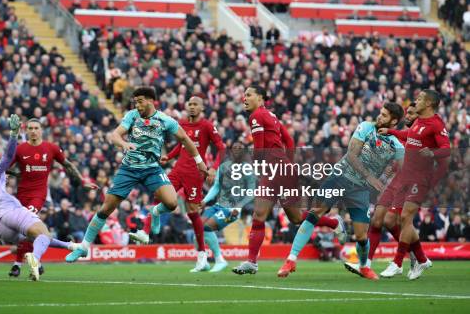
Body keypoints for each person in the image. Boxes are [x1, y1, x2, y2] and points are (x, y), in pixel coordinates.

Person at [65, 87, 207, 262]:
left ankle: (154, 213)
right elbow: (115, 135)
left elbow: (185, 139)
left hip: (152, 169)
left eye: (140, 101)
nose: (137, 105)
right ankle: (84, 247)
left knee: (171, 203)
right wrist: (124, 144)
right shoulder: (132, 116)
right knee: (106, 208)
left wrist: (199, 161)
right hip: (129, 169)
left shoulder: (164, 120)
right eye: (135, 102)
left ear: (150, 101)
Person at [278, 102, 404, 280]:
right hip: (339, 177)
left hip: (360, 190)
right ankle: (291, 259)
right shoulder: (366, 127)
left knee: (361, 236)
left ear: (394, 121)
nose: (379, 117)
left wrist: (385, 178)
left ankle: (363, 267)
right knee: (315, 212)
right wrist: (371, 177)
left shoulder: (397, 145)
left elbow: (402, 168)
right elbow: (352, 155)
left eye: (384, 116)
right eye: (380, 113)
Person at [233, 86, 344, 275]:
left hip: (274, 169)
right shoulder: (271, 116)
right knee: (294, 218)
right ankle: (333, 223)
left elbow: (259, 150)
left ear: (260, 98)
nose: (244, 98)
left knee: (261, 214)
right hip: (281, 168)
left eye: (249, 95)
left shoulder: (256, 116)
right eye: (244, 95)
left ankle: (252, 261)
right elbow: (289, 141)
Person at [0, 115, 72, 281]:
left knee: (32, 237)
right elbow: (7, 158)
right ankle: (36, 260)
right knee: (42, 233)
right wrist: (13, 133)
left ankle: (28, 263)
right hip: (11, 211)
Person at [135, 96, 225, 272]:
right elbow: (181, 145)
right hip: (178, 170)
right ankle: (145, 232)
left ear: (202, 108)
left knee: (193, 213)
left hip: (194, 173)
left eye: (195, 105)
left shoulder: (206, 126)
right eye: (189, 104)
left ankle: (202, 257)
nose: (191, 107)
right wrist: (168, 156)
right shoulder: (182, 124)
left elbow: (221, 148)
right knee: (160, 194)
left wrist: (214, 168)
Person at [379, 90, 450, 280]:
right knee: (390, 220)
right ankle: (422, 259)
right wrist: (391, 131)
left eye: (419, 99)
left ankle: (397, 262)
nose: (415, 101)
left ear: (428, 104)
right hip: (405, 177)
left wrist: (432, 153)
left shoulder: (436, 124)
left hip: (421, 178)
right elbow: (409, 136)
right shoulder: (418, 120)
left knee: (406, 217)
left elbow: (446, 150)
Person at [8, 118, 91, 278]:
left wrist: (82, 181)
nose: (33, 131)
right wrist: (16, 173)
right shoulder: (20, 149)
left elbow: (68, 164)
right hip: (21, 196)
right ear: (26, 131)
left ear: (41, 130)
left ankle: (25, 263)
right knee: (28, 232)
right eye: (30, 128)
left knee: (27, 228)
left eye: (36, 128)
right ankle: (31, 264)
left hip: (38, 195)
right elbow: (4, 166)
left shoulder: (51, 148)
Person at [349, 103, 419, 275]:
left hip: (407, 183)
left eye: (411, 113)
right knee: (378, 221)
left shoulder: (415, 133)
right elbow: (393, 162)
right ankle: (366, 264)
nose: (408, 116)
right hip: (395, 181)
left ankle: (410, 258)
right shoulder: (396, 134)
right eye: (407, 113)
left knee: (391, 221)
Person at [200, 142, 255, 272]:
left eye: (240, 148)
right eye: (235, 148)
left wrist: (239, 208)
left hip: (231, 209)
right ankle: (203, 262)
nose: (237, 150)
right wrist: (204, 200)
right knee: (199, 227)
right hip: (218, 205)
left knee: (207, 227)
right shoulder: (223, 167)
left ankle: (220, 260)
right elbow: (216, 187)